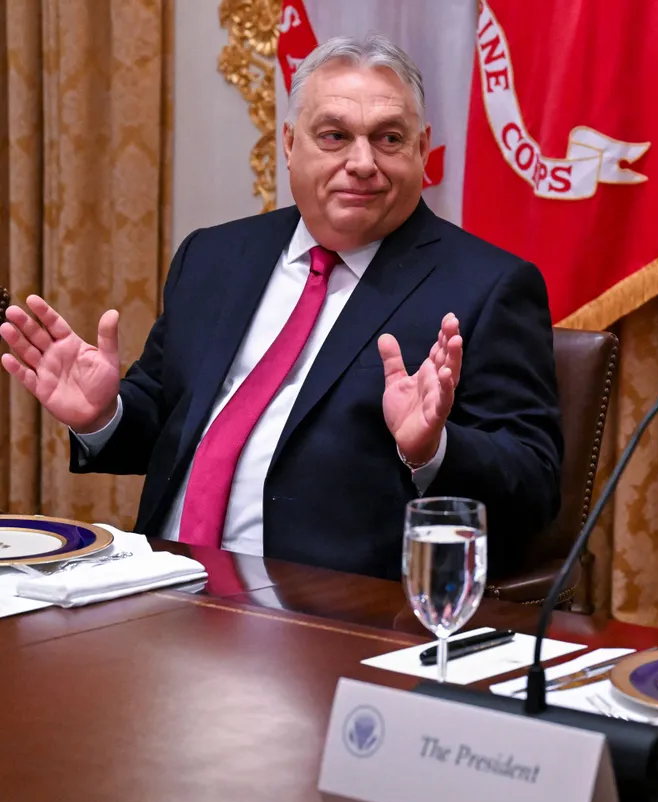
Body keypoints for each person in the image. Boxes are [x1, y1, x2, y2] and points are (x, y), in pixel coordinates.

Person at [0, 35, 562, 581]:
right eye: (335, 136)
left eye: (389, 138)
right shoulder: (214, 256)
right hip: (162, 586)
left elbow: (534, 487)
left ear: (421, 148)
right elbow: (163, 420)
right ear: (290, 144)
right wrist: (105, 415)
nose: (363, 162)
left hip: (331, 616)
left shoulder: (489, 286)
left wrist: (433, 449)